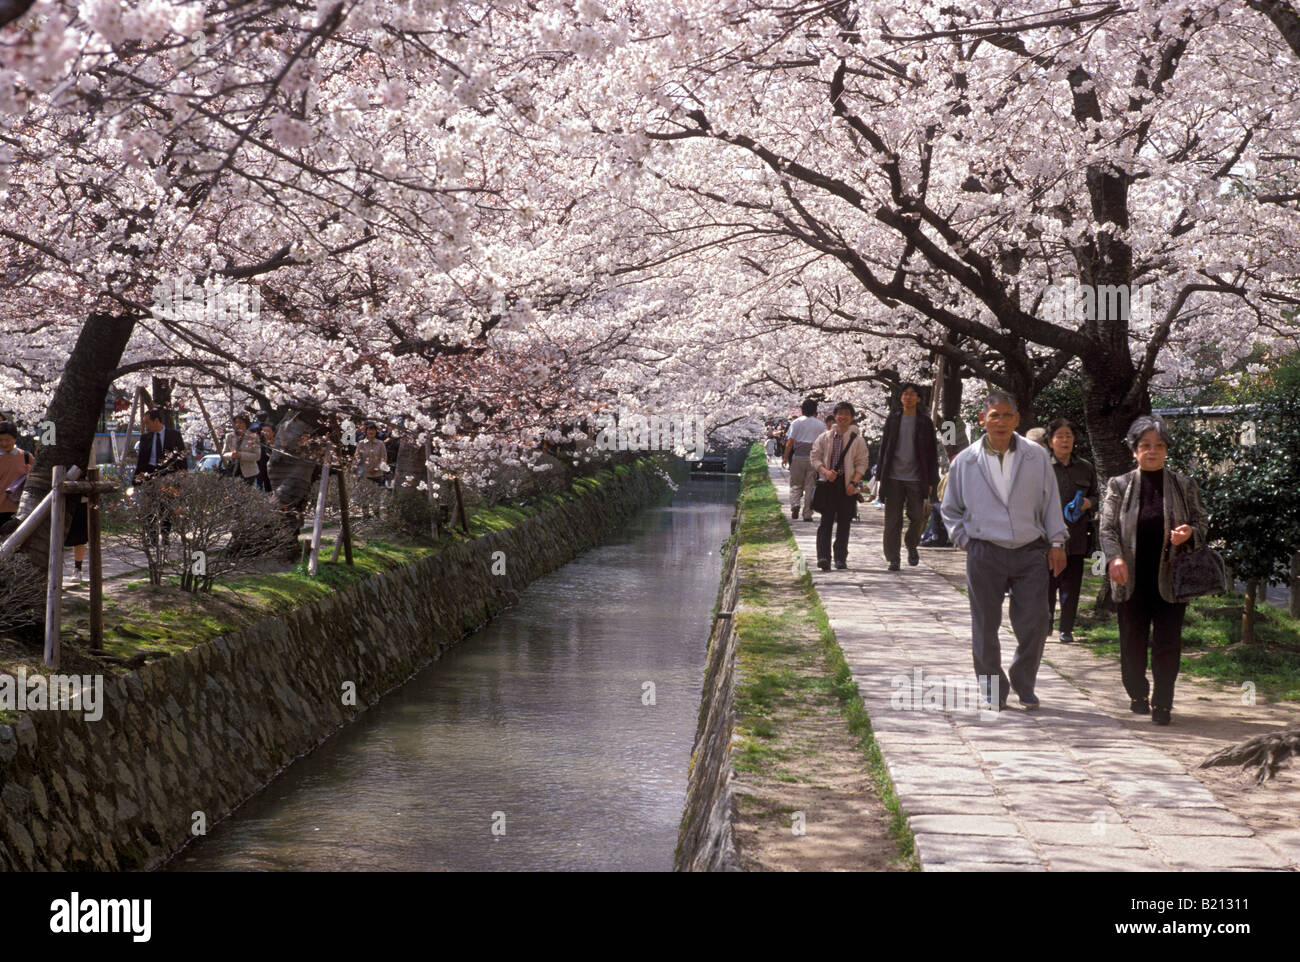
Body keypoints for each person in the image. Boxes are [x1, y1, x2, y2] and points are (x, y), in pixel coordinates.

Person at [941, 390, 1067, 711]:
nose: (1000, 422)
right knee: (985, 624)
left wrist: (1056, 542)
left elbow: (1051, 501)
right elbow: (950, 508)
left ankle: (1024, 682)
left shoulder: (1036, 456)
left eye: (1006, 415)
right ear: (982, 419)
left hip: (1029, 550)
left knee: (1037, 621)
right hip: (984, 551)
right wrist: (965, 540)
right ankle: (992, 688)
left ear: (1017, 420)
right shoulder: (966, 461)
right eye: (993, 415)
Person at [1099, 415, 1208, 726]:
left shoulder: (1184, 485)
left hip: (1171, 580)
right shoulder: (1118, 485)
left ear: (1166, 450)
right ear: (1134, 450)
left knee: (1168, 642)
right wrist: (1115, 558)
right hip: (1131, 579)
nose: (1152, 451)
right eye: (1145, 446)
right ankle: (1137, 693)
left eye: (1159, 446)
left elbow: (1202, 523)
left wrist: (1190, 533)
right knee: (1132, 641)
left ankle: (1163, 702)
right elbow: (1107, 529)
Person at [1046, 418, 1099, 643]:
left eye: (1068, 435)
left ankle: (1066, 628)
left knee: (1071, 586)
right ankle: (1044, 626)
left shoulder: (1086, 467)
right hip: (1047, 537)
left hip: (1076, 535)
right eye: (1060, 436)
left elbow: (1098, 494)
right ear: (1050, 441)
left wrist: (1089, 503)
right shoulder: (1042, 467)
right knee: (1047, 584)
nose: (1064, 440)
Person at [877, 383, 940, 570]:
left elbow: (931, 453)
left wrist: (931, 480)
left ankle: (911, 544)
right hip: (894, 476)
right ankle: (893, 558)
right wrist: (880, 474)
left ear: (919, 398)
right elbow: (884, 447)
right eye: (905, 394)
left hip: (917, 477)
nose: (908, 397)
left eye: (912, 394)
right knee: (892, 520)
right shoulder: (893, 419)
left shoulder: (925, 422)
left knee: (918, 517)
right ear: (901, 397)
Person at [810, 402, 869, 571]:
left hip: (847, 483)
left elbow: (861, 464)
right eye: (839, 414)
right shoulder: (825, 437)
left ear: (851, 418)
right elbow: (815, 457)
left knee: (845, 521)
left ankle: (840, 558)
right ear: (835, 416)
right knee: (826, 520)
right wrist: (825, 471)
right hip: (828, 483)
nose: (842, 417)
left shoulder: (858, 441)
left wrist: (854, 483)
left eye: (846, 414)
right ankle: (823, 557)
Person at [782, 399, 824, 522]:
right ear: (815, 410)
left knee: (795, 483)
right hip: (813, 458)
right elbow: (823, 443)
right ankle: (807, 514)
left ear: (802, 410)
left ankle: (795, 504)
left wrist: (785, 457)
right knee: (810, 486)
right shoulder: (820, 424)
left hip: (798, 456)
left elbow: (790, 442)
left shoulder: (796, 422)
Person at [133, 409, 186, 483]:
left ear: (156, 421)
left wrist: (183, 473)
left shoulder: (174, 435)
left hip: (169, 475)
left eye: (148, 423)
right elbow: (141, 459)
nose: (146, 426)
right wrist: (136, 477)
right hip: (150, 474)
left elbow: (181, 455)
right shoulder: (145, 437)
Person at [0, 421, 32, 529]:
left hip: (19, 510)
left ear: (15, 439)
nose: (4, 443)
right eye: (0, 440)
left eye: (7, 440)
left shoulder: (26, 457)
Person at [221, 414, 260, 485]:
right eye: (236, 422)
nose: (237, 424)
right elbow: (224, 454)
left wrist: (241, 455)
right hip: (233, 471)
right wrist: (231, 455)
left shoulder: (253, 437)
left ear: (246, 424)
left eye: (240, 422)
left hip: (249, 472)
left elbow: (257, 456)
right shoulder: (229, 436)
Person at [355, 421, 388, 486]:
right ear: (366, 431)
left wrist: (376, 469)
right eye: (369, 430)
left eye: (373, 430)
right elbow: (357, 456)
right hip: (364, 474)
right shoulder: (361, 443)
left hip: (377, 475)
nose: (371, 432)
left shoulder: (380, 444)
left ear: (376, 431)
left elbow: (384, 458)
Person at [256, 423, 275, 492]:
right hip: (261, 467)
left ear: (273, 433)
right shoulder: (259, 442)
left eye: (268, 431)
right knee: (259, 486)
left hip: (273, 469)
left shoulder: (277, 443)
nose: (265, 433)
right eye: (264, 431)